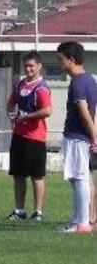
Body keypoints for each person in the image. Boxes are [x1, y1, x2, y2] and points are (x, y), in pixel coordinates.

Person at [6, 50, 52, 222]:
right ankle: (19, 210)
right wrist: (11, 116)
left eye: (31, 66)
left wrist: (26, 117)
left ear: (39, 66)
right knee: (18, 175)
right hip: (19, 136)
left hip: (35, 138)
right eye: (25, 65)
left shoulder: (41, 88)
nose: (28, 69)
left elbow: (47, 110)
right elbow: (10, 103)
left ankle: (38, 212)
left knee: (36, 175)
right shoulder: (20, 85)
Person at [56, 41, 97, 234]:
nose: (59, 64)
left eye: (61, 59)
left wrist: (94, 137)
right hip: (80, 137)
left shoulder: (79, 82)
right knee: (77, 178)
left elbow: (85, 112)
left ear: (71, 59)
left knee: (80, 178)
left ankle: (83, 224)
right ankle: (78, 220)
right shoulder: (89, 80)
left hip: (78, 137)